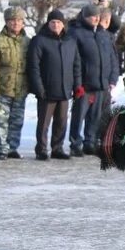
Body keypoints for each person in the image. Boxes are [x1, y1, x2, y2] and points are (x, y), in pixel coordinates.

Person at [27, 10, 82, 161]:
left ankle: (57, 148)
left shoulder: (70, 41)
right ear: (48, 23)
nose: (56, 25)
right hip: (47, 90)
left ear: (63, 24)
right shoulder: (39, 40)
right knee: (44, 122)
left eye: (58, 22)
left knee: (61, 121)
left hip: (65, 90)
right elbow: (34, 67)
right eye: (53, 22)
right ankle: (41, 149)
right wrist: (39, 88)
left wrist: (77, 86)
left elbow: (76, 65)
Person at [70, 4, 119, 157]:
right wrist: (77, 83)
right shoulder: (76, 33)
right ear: (85, 17)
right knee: (79, 115)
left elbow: (112, 58)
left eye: (98, 16)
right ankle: (75, 142)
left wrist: (112, 78)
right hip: (85, 84)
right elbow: (73, 60)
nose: (96, 18)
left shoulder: (103, 34)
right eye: (92, 16)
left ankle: (90, 142)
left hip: (101, 84)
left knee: (95, 116)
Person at [0, 7, 30, 160]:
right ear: (7, 22)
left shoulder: (27, 42)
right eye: (12, 20)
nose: (16, 23)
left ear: (23, 23)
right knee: (1, 121)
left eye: (19, 20)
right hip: (3, 88)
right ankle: (2, 149)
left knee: (17, 121)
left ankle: (13, 147)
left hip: (21, 88)